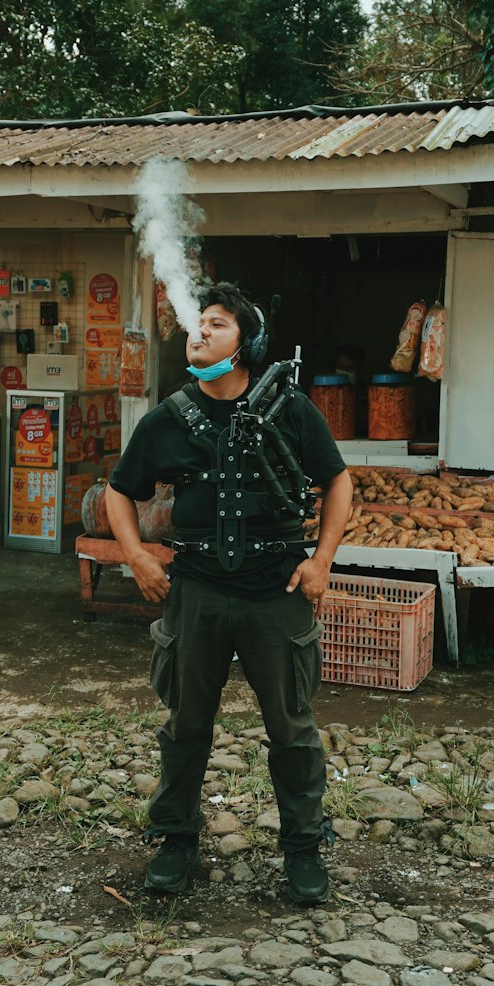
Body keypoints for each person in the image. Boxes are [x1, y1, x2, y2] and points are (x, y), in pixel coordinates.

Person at [105, 282, 353, 905]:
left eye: (216, 324)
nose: (200, 333)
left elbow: (338, 481)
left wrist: (321, 560)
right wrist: (136, 555)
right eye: (196, 324)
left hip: (277, 591)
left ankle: (302, 848)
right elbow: (119, 490)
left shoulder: (290, 408)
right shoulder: (170, 416)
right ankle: (175, 841)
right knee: (187, 722)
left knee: (292, 727)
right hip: (198, 592)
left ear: (247, 342)